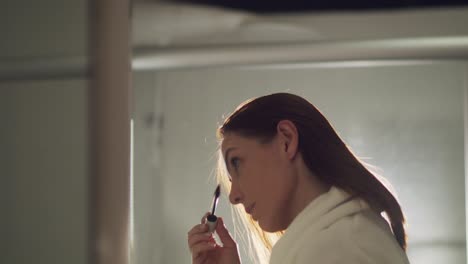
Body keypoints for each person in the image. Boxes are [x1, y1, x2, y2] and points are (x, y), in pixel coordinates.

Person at [187, 92, 410, 264]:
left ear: (286, 140)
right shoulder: (345, 238)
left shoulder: (335, 248)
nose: (234, 196)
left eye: (236, 162)